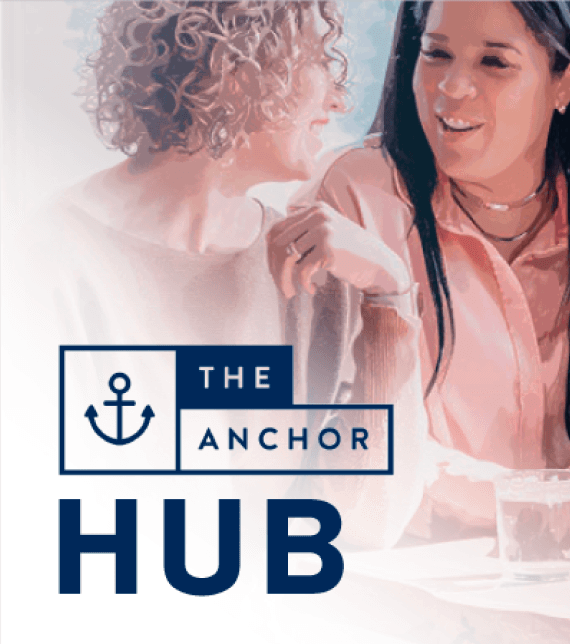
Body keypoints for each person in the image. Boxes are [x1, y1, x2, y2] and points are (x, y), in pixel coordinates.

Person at [270, 1, 570, 548]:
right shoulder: (356, 200)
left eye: (494, 62)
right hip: (412, 575)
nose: (453, 88)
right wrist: (535, 502)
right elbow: (337, 427)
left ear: (565, 83)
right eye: (436, 54)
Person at [40, 0, 422, 548]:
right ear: (236, 70)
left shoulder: (316, 272)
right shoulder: (45, 262)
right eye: (316, 61)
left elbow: (363, 527)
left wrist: (390, 292)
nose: (338, 100)